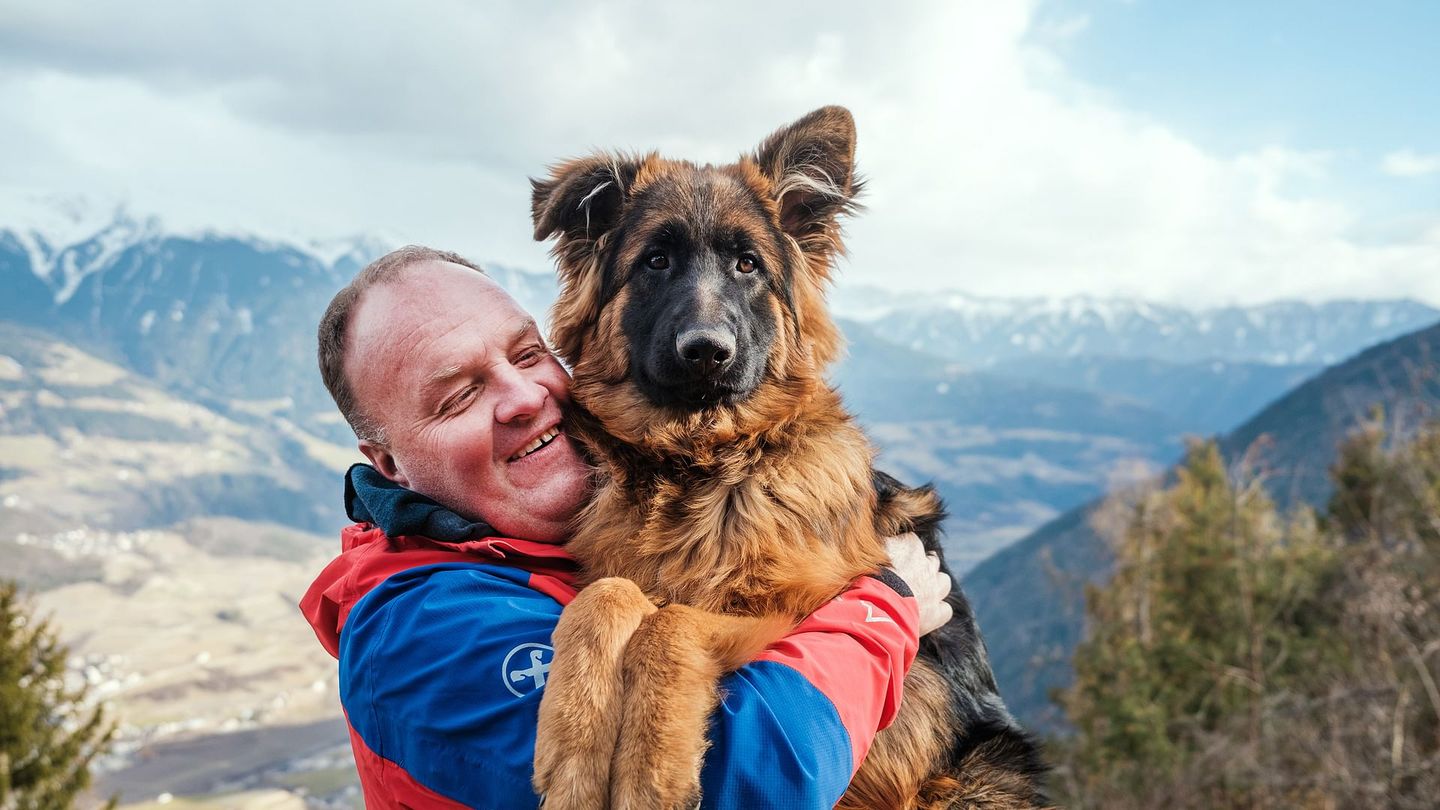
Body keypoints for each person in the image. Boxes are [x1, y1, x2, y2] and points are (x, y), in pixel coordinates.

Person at [300, 246, 954, 809]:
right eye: (458, 397)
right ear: (389, 463)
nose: (526, 397)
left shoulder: (600, 525)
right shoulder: (423, 631)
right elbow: (735, 787)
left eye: (528, 354)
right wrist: (885, 607)